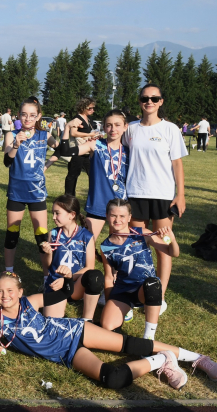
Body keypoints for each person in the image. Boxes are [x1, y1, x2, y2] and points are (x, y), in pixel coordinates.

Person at [0, 272, 217, 390]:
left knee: (130, 344)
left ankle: (198, 359)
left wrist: (66, 280)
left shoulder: (31, 301)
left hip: (74, 331)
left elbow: (64, 294)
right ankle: (161, 360)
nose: (4, 295)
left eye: (10, 290)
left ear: (19, 292)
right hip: (67, 355)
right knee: (113, 379)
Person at [122, 84, 187, 296]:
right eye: (145, 98)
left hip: (163, 196)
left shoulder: (170, 129)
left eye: (154, 98)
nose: (149, 102)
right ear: (140, 101)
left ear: (161, 102)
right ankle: (136, 289)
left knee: (164, 245)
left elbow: (177, 163)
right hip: (135, 194)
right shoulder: (131, 129)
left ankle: (158, 295)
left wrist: (180, 195)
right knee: (137, 245)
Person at [100, 199, 178, 338]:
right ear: (107, 216)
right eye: (113, 215)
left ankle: (148, 337)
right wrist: (109, 303)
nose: (118, 220)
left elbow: (173, 253)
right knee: (107, 326)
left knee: (153, 283)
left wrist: (172, 239)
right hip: (123, 290)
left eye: (122, 216)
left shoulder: (142, 233)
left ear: (129, 217)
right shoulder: (105, 247)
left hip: (145, 289)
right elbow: (109, 278)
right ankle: (126, 309)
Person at [3, 98, 58, 273]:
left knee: (41, 235)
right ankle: (9, 272)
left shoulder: (44, 135)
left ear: (39, 116)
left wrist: (46, 166)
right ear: (19, 115)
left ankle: (46, 276)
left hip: (37, 192)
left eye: (32, 115)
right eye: (24, 115)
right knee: (12, 234)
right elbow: (7, 161)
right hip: (16, 192)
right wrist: (16, 145)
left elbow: (61, 149)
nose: (28, 119)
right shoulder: (11, 135)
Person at [59, 109, 130, 242]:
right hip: (98, 204)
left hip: (121, 206)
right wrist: (67, 127)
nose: (113, 129)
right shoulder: (95, 144)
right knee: (85, 245)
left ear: (125, 126)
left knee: (118, 247)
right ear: (104, 127)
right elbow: (66, 151)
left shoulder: (130, 150)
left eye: (117, 125)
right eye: (109, 125)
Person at [38, 195, 102, 320]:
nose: (53, 217)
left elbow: (89, 267)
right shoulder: (53, 234)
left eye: (57, 213)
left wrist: (67, 280)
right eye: (53, 213)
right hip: (56, 284)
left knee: (95, 276)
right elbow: (48, 265)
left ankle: (87, 320)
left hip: (75, 284)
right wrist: (48, 253)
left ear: (72, 215)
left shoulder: (86, 236)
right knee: (52, 321)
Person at [63, 98, 97, 197]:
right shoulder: (77, 119)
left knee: (93, 174)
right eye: (90, 108)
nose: (92, 110)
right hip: (78, 151)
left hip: (87, 152)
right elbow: (73, 133)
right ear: (83, 107)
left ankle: (94, 196)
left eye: (93, 108)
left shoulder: (89, 119)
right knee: (73, 175)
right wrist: (90, 135)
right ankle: (69, 198)